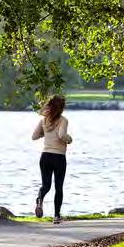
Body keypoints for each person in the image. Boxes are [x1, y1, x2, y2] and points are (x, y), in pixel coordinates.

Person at [31, 95, 72, 224]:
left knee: (46, 185)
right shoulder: (63, 120)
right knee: (58, 187)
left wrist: (46, 133)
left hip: (45, 156)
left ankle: (39, 199)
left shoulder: (44, 121)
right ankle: (56, 216)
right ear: (61, 108)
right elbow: (61, 135)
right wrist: (69, 139)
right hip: (58, 156)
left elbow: (34, 136)